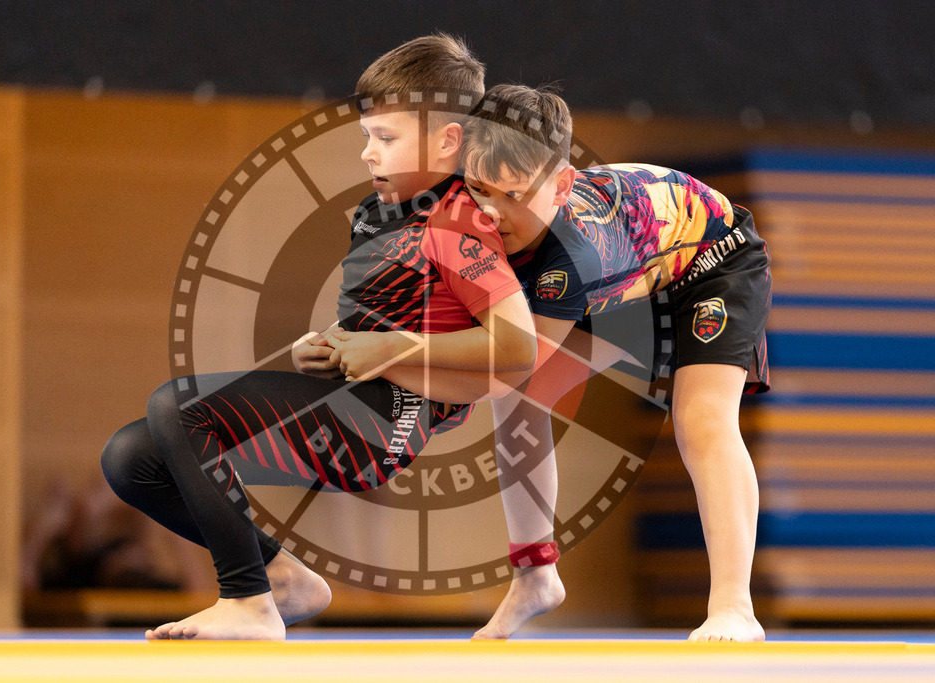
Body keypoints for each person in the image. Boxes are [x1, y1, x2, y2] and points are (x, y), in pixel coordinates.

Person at [101, 34, 537, 641]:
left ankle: (247, 599)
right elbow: (399, 313)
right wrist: (334, 343)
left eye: (385, 139)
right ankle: (285, 577)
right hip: (357, 399)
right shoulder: (382, 213)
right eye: (367, 136)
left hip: (389, 421)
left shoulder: (458, 222)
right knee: (133, 459)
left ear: (448, 141)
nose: (367, 153)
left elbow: (517, 348)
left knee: (178, 406)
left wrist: (394, 350)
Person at [324, 84, 771, 642]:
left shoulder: (574, 251)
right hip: (630, 278)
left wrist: (392, 355)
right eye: (481, 189)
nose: (494, 211)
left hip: (708, 261)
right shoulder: (471, 211)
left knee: (701, 419)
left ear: (560, 186)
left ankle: (734, 606)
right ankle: (536, 575)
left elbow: (503, 364)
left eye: (514, 195)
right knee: (522, 397)